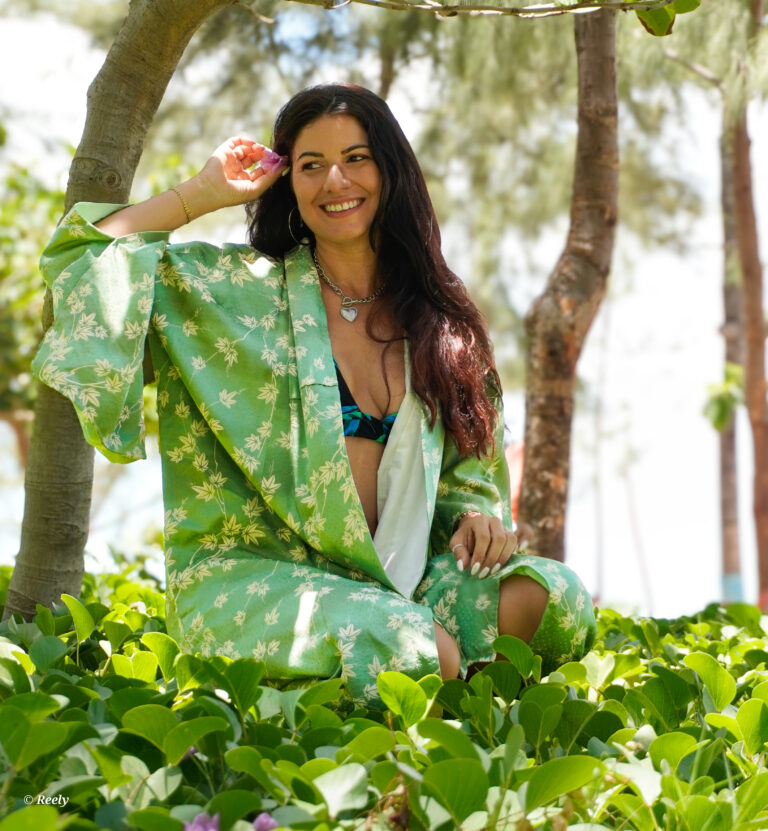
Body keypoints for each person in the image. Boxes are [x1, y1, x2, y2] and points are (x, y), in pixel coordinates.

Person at [32, 83, 595, 707]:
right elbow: (82, 257)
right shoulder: (233, 293)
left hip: (404, 580)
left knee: (554, 598)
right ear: (289, 183)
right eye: (311, 165)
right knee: (413, 649)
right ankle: (442, 696)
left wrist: (474, 522)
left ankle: (462, 706)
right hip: (259, 581)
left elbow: (468, 480)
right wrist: (202, 193)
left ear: (390, 170)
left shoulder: (442, 324)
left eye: (356, 158)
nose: (335, 181)